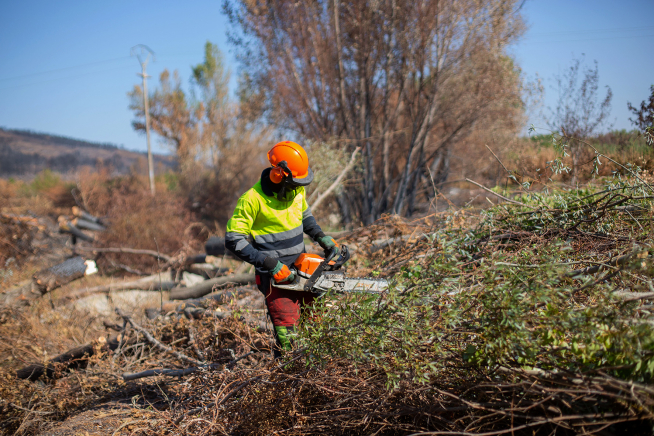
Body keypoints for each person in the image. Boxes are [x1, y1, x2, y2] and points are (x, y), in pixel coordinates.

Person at [225, 141, 338, 356]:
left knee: (317, 330)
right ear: (279, 175)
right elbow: (233, 239)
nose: (299, 187)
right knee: (289, 340)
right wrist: (269, 263)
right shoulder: (252, 199)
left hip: (304, 271)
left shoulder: (296, 191)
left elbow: (305, 217)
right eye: (295, 182)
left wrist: (322, 238)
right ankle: (288, 381)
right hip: (276, 277)